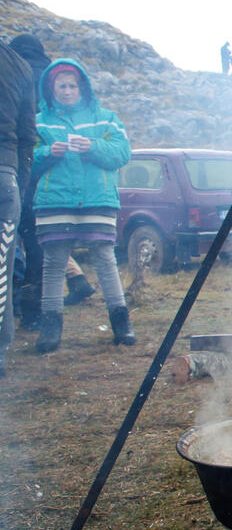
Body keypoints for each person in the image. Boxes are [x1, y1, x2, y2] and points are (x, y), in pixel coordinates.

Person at [31, 59, 135, 352]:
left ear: (82, 87)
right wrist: (47, 152)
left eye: (72, 85)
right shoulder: (40, 121)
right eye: (60, 85)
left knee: (105, 259)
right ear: (51, 89)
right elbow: (27, 155)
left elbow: (122, 153)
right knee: (53, 263)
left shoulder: (106, 118)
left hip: (97, 198)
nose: (66, 91)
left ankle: (122, 325)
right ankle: (50, 331)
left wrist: (93, 146)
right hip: (55, 200)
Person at [8, 36, 96, 325]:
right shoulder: (49, 73)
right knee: (38, 242)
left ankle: (18, 308)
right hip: (41, 175)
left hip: (18, 162)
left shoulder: (11, 69)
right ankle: (33, 314)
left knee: (17, 241)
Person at [0, 41, 36, 377]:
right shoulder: (19, 65)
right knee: (1, 272)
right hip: (6, 175)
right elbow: (28, 136)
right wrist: (18, 186)